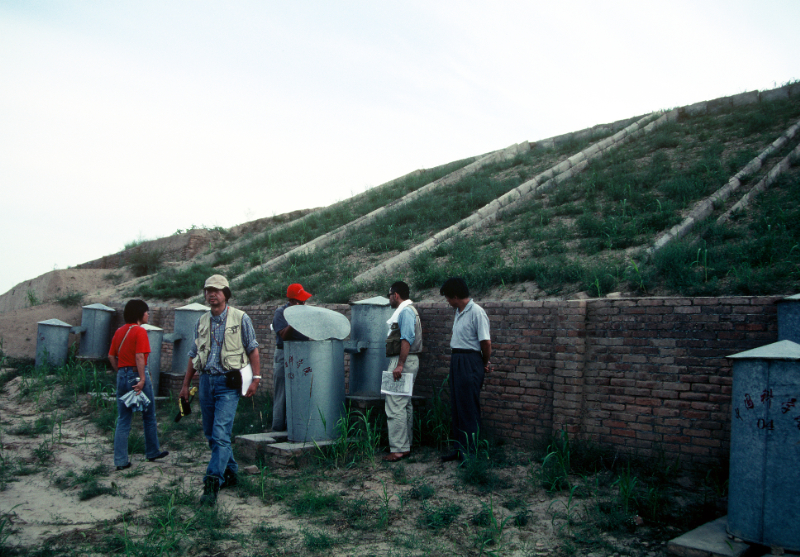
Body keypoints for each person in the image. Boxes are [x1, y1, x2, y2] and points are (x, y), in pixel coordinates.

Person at [179, 275, 261, 506]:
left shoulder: (240, 318)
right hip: (206, 382)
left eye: (216, 290)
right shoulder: (202, 321)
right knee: (210, 435)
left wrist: (256, 379)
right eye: (208, 290)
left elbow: (253, 349)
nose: (211, 294)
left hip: (229, 383)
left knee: (220, 433)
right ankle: (232, 473)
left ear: (226, 293)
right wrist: (185, 385)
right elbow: (193, 355)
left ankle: (212, 482)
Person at [108, 299, 168, 471]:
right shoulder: (140, 331)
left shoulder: (119, 331)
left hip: (122, 375)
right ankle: (152, 451)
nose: (148, 314)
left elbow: (111, 356)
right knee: (149, 416)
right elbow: (140, 357)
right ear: (139, 314)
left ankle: (120, 460)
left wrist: (120, 372)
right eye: (146, 312)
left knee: (123, 419)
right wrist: (142, 379)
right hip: (137, 375)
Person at [439, 278, 492, 462]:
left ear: (455, 296)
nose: (447, 302)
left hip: (470, 360)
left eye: (447, 298)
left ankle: (471, 452)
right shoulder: (459, 311)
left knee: (469, 407)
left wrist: (483, 363)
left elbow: (485, 343)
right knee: (457, 406)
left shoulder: (477, 312)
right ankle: (459, 448)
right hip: (457, 359)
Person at [384, 281, 423, 462]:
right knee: (404, 404)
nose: (389, 298)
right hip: (407, 360)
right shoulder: (408, 310)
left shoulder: (405, 311)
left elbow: (406, 339)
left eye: (389, 294)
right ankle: (406, 445)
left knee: (394, 404)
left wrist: (400, 364)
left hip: (403, 361)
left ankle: (399, 449)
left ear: (396, 295)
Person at [271, 283, 312, 432]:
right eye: (300, 302)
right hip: (284, 354)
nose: (303, 304)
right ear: (292, 301)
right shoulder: (280, 313)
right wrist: (295, 321)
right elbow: (283, 335)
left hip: (301, 353)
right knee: (282, 393)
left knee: (300, 392)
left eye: (304, 302)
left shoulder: (305, 312)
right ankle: (278, 429)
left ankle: (296, 427)